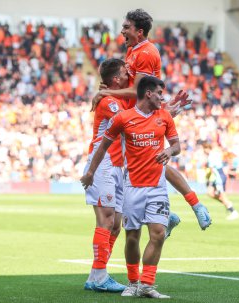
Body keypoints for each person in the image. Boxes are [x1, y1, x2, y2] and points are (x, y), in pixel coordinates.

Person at [92, 9, 211, 234]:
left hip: (139, 117)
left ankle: (193, 206)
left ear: (139, 31)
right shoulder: (134, 51)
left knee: (154, 163)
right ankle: (172, 214)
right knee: (139, 169)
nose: (122, 31)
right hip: (135, 116)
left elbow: (139, 91)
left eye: (126, 27)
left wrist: (108, 95)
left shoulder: (145, 53)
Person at [82, 76, 180, 298]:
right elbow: (103, 145)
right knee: (132, 237)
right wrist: (90, 172)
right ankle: (133, 282)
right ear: (148, 93)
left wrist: (169, 151)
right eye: (159, 93)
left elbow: (177, 145)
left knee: (158, 233)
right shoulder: (124, 118)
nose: (162, 98)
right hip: (132, 186)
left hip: (157, 186)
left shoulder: (164, 117)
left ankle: (147, 284)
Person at [83, 58, 129, 292]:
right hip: (103, 164)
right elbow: (127, 123)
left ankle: (95, 275)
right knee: (107, 219)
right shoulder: (109, 102)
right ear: (115, 79)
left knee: (116, 224)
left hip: (117, 166)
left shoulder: (116, 99)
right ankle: (100, 276)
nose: (129, 74)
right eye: (125, 72)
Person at [204, 143, 239, 220]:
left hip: (218, 177)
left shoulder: (210, 157)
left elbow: (211, 170)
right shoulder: (216, 154)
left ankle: (233, 212)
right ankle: (228, 204)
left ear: (206, 148)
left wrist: (208, 178)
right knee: (209, 193)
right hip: (219, 175)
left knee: (222, 195)